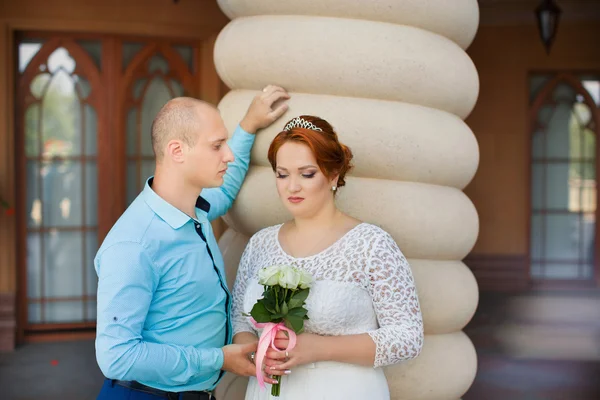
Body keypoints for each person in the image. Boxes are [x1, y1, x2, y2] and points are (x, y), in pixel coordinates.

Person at [94, 86, 290, 400]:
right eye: (217, 146)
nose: (227, 154)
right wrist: (220, 359)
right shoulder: (133, 245)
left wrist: (248, 126)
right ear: (177, 151)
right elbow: (116, 356)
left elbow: (223, 195)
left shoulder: (194, 208)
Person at [231, 115, 424, 399]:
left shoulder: (371, 244)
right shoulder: (260, 243)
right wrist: (256, 352)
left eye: (306, 174)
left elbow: (408, 337)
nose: (291, 186)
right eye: (282, 174)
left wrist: (317, 347)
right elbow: (239, 320)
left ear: (333, 175)